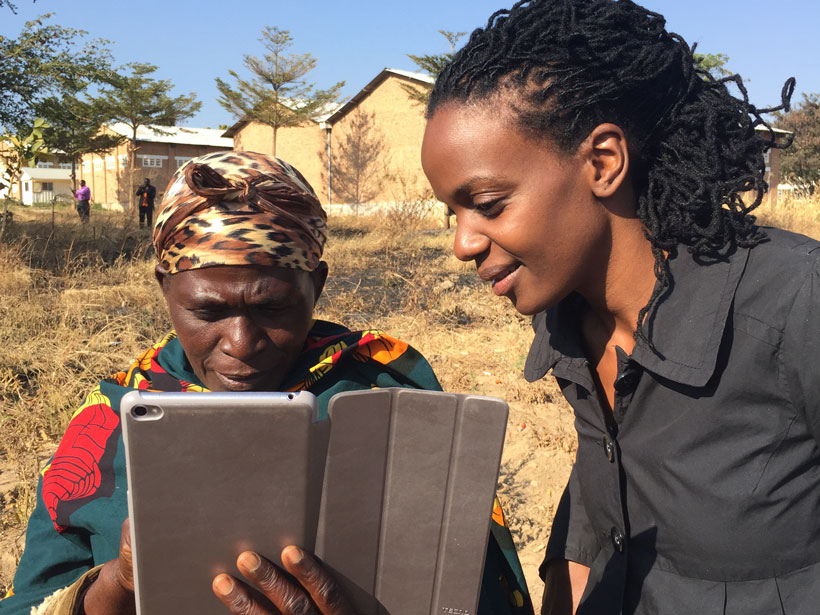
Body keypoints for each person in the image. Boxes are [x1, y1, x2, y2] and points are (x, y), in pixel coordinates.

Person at [0, 151, 532, 615]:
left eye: (271, 307)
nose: (241, 343)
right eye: (207, 311)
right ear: (165, 289)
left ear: (316, 285)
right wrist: (121, 580)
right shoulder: (109, 419)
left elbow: (465, 584)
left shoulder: (386, 395)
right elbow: (32, 602)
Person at [420, 1, 819, 614]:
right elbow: (601, 519)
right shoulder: (565, 326)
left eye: (489, 203)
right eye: (454, 212)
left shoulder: (795, 300)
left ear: (603, 162)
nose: (462, 244)